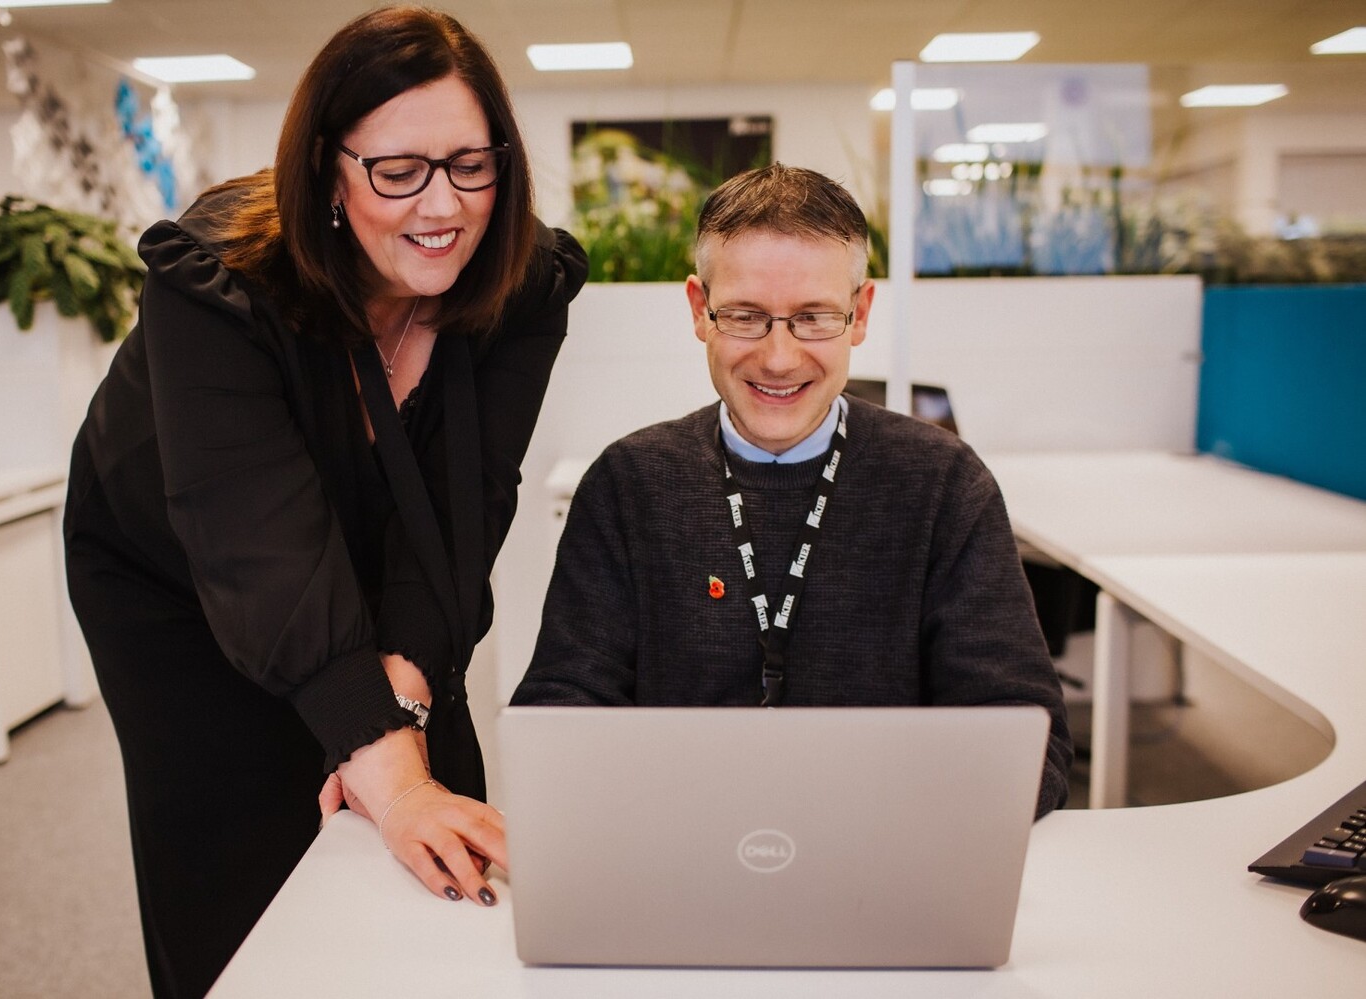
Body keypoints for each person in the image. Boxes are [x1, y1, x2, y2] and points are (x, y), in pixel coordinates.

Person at [63, 8, 587, 997]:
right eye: (398, 170)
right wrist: (377, 761)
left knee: (433, 796)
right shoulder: (216, 279)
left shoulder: (523, 281)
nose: (444, 206)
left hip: (388, 535)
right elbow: (252, 539)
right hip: (179, 563)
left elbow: (464, 507)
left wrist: (399, 707)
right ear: (326, 170)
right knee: (250, 823)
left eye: (471, 163)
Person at [512, 164, 1071, 818]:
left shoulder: (943, 484)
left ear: (860, 314)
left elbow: (1027, 744)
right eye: (746, 316)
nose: (779, 358)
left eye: (813, 317)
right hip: (683, 857)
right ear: (700, 310)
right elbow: (559, 716)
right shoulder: (628, 484)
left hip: (879, 861)